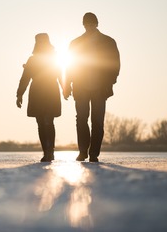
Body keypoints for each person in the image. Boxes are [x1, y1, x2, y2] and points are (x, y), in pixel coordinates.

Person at [64, 12, 120, 162]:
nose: (89, 26)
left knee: (97, 120)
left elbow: (115, 64)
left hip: (100, 87)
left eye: (91, 23)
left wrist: (110, 82)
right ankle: (83, 151)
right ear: (83, 25)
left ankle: (94, 153)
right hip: (80, 86)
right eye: (86, 23)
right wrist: (66, 85)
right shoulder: (75, 43)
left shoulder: (108, 41)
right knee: (81, 119)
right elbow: (69, 65)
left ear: (96, 24)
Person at [16, 33, 65, 162]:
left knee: (48, 121)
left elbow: (60, 75)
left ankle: (50, 151)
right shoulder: (32, 60)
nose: (41, 43)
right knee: (41, 123)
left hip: (50, 92)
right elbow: (25, 78)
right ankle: (46, 151)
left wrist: (65, 88)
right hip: (38, 93)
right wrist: (19, 94)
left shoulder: (53, 59)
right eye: (39, 41)